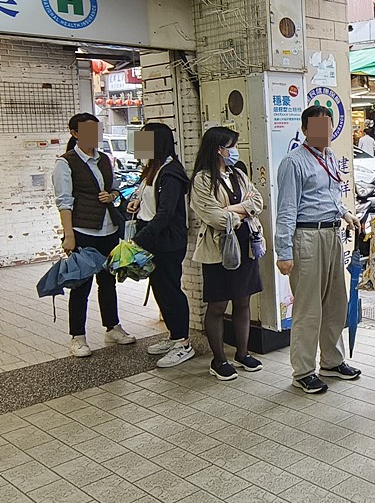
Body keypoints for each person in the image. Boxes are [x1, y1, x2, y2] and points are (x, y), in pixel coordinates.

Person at [275, 105, 361, 394]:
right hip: (306, 237)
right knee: (308, 308)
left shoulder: (330, 157)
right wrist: (283, 252)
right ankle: (302, 371)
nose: (324, 133)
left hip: (332, 234)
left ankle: (333, 361)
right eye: (318, 128)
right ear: (305, 130)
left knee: (335, 303)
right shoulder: (293, 162)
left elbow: (332, 194)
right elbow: (286, 209)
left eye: (328, 126)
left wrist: (345, 214)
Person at [53, 113, 136, 357]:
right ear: (75, 133)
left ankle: (112, 327)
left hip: (108, 229)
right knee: (81, 285)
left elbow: (114, 188)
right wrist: (69, 236)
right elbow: (64, 202)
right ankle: (77, 336)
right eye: (88, 131)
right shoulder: (65, 163)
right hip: (83, 231)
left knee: (108, 281)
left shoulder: (105, 159)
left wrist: (112, 196)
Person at [190, 127, 265, 381]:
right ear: (217, 149)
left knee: (243, 300)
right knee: (218, 304)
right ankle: (219, 359)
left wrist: (232, 209)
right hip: (218, 249)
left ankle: (242, 354)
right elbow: (213, 217)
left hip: (245, 244)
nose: (234, 151)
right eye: (231, 146)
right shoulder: (202, 180)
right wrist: (240, 213)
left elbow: (258, 203)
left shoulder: (239, 174)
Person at [127, 123, 192, 368]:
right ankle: (174, 336)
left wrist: (138, 241)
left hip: (167, 242)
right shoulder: (152, 169)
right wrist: (134, 204)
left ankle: (184, 343)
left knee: (170, 290)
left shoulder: (171, 171)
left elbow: (165, 213)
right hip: (153, 239)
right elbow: (148, 200)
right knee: (159, 289)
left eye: (144, 141)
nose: (139, 146)